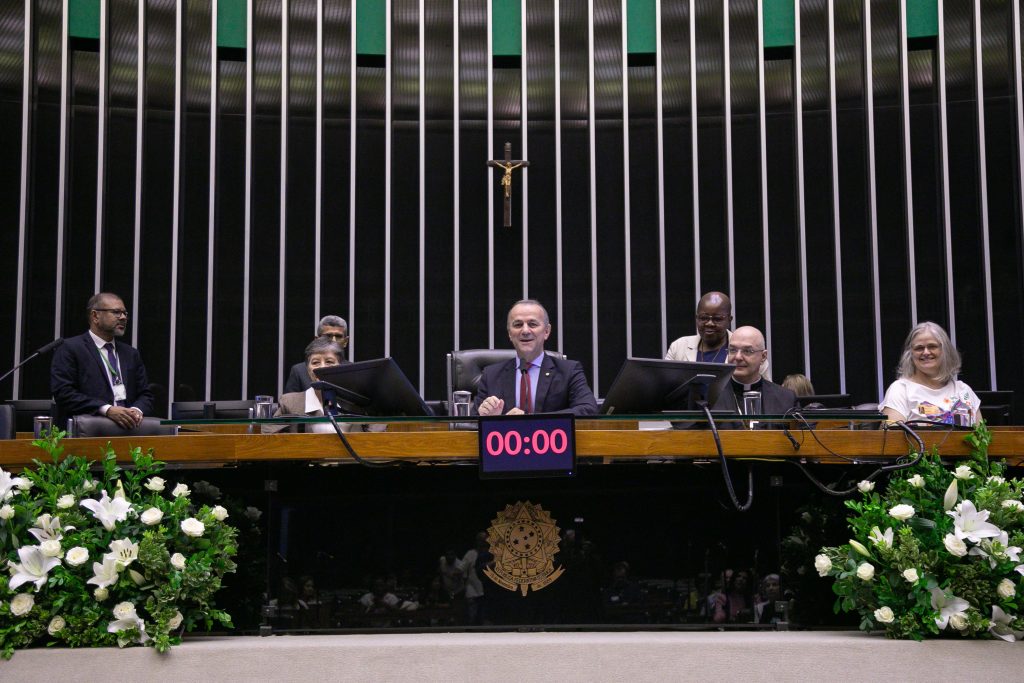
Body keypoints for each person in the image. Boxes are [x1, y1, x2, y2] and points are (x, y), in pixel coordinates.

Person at [473, 300, 597, 416]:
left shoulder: (569, 371)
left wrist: (532, 421)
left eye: (532, 324)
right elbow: (471, 421)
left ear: (546, 331)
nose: (525, 330)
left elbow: (588, 409)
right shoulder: (491, 375)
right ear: (510, 333)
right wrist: (489, 418)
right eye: (518, 325)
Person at [50, 292, 154, 429]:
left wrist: (136, 410)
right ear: (95, 316)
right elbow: (64, 393)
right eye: (116, 312)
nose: (123, 317)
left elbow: (146, 394)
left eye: (125, 313)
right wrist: (107, 409)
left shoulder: (131, 353)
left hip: (129, 430)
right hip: (89, 430)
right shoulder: (70, 348)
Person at [267, 338, 384, 433]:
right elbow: (270, 436)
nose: (322, 367)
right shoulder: (290, 403)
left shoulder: (360, 401)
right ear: (308, 369)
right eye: (315, 362)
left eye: (329, 362)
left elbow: (378, 438)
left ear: (341, 367)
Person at [880, 321, 980, 426]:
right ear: (910, 354)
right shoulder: (900, 390)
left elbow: (982, 434)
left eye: (932, 346)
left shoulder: (964, 390)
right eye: (919, 348)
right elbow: (893, 435)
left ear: (945, 351)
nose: (926, 352)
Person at [666, 291, 771, 380]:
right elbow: (665, 384)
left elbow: (767, 390)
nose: (709, 323)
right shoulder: (679, 347)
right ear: (697, 318)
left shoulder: (751, 349)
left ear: (729, 320)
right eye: (704, 318)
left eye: (717, 319)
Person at [712, 326, 799, 419]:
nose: (738, 357)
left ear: (763, 356)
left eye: (747, 351)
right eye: (733, 350)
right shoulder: (711, 397)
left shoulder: (786, 398)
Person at [284, 315, 350, 393]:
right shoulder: (299, 371)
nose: (333, 340)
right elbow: (291, 400)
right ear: (317, 340)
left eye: (338, 336)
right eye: (328, 336)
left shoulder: (354, 371)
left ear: (345, 341)